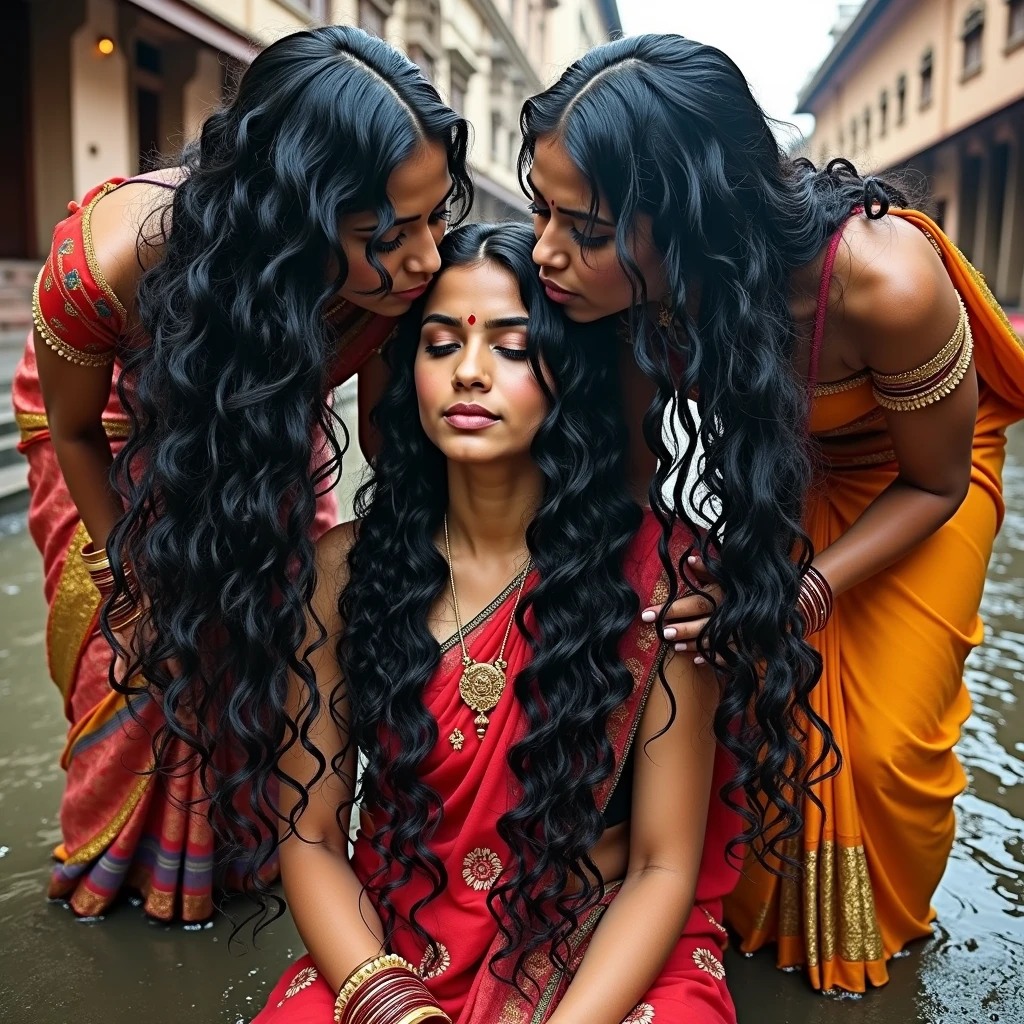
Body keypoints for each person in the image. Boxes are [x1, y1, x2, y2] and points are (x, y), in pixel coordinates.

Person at [519, 33, 1024, 994]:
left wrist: (795, 594)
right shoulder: (643, 293)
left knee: (877, 751)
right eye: (544, 211)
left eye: (583, 229)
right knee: (739, 694)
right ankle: (737, 909)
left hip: (910, 485)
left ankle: (883, 933)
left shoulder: (882, 281)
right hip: (785, 467)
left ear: (692, 214)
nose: (548, 250)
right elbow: (639, 478)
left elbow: (936, 482)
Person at [245, 222, 764, 1024]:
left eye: (515, 349)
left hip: (597, 937)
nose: (471, 373)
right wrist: (390, 1002)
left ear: (574, 375)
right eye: (441, 344)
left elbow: (664, 865)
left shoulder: (666, 576)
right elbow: (309, 834)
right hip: (397, 938)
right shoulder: (343, 571)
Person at [12, 24, 471, 922]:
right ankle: (125, 868)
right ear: (292, 213)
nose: (424, 259)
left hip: (270, 416)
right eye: (387, 231)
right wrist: (128, 584)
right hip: (110, 428)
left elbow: (385, 442)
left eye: (433, 217)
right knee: (139, 659)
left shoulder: (388, 284)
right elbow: (70, 428)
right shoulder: (109, 262)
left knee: (275, 625)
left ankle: (260, 844)